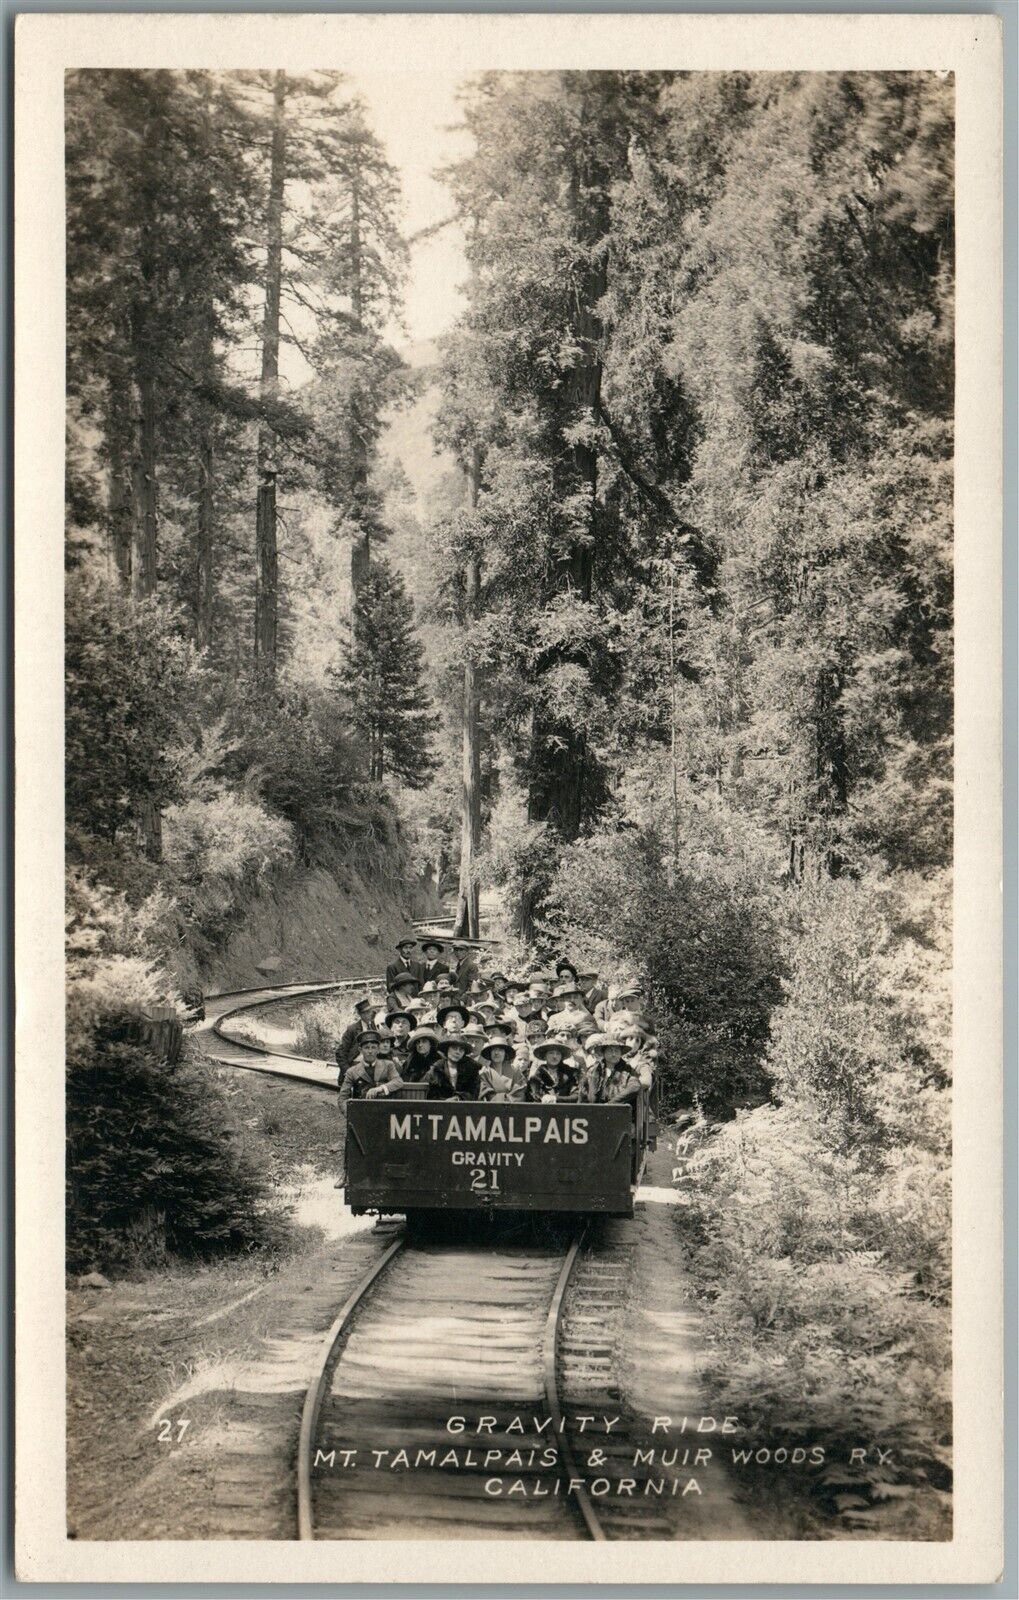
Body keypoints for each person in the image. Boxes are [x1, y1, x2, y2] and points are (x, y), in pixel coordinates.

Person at [338, 1030, 404, 1101]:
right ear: (360, 1050)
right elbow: (342, 1098)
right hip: (361, 1109)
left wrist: (380, 1088)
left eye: (373, 1047)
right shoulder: (352, 1071)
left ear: (378, 1049)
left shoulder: (388, 1065)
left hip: (384, 1109)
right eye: (366, 1048)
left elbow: (398, 1081)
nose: (370, 1051)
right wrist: (349, 1112)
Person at [583, 1033, 643, 1104]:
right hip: (595, 1111)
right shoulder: (593, 1071)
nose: (614, 1054)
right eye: (610, 1050)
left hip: (619, 1111)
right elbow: (583, 1093)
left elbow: (635, 1086)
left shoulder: (628, 1070)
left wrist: (610, 1104)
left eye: (617, 1051)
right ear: (604, 1052)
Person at [527, 1037, 583, 1103]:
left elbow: (576, 1096)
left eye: (558, 1053)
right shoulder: (536, 1077)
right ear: (545, 1056)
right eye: (551, 1053)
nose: (555, 1056)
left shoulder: (571, 1074)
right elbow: (535, 1097)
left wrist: (556, 1099)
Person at [425, 1034, 482, 1100]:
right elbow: (430, 1095)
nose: (458, 1052)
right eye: (454, 1048)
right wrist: (445, 1101)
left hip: (464, 1107)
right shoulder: (436, 1069)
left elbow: (473, 1093)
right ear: (447, 1049)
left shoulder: (471, 1069)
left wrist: (459, 1097)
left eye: (461, 1050)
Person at [335, 994, 377, 1076]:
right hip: (356, 1064)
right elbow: (340, 1052)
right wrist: (348, 1071)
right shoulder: (353, 1029)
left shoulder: (375, 1026)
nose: (369, 1014)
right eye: (365, 1013)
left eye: (370, 1011)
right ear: (360, 1015)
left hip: (373, 1064)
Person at [478, 1035, 528, 1102]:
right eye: (494, 1050)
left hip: (513, 1109)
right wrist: (503, 1099)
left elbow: (519, 1093)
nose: (496, 1053)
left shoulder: (516, 1072)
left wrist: (507, 1101)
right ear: (490, 1053)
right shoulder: (484, 1073)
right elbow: (486, 1093)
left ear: (505, 1053)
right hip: (490, 1109)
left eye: (500, 1050)